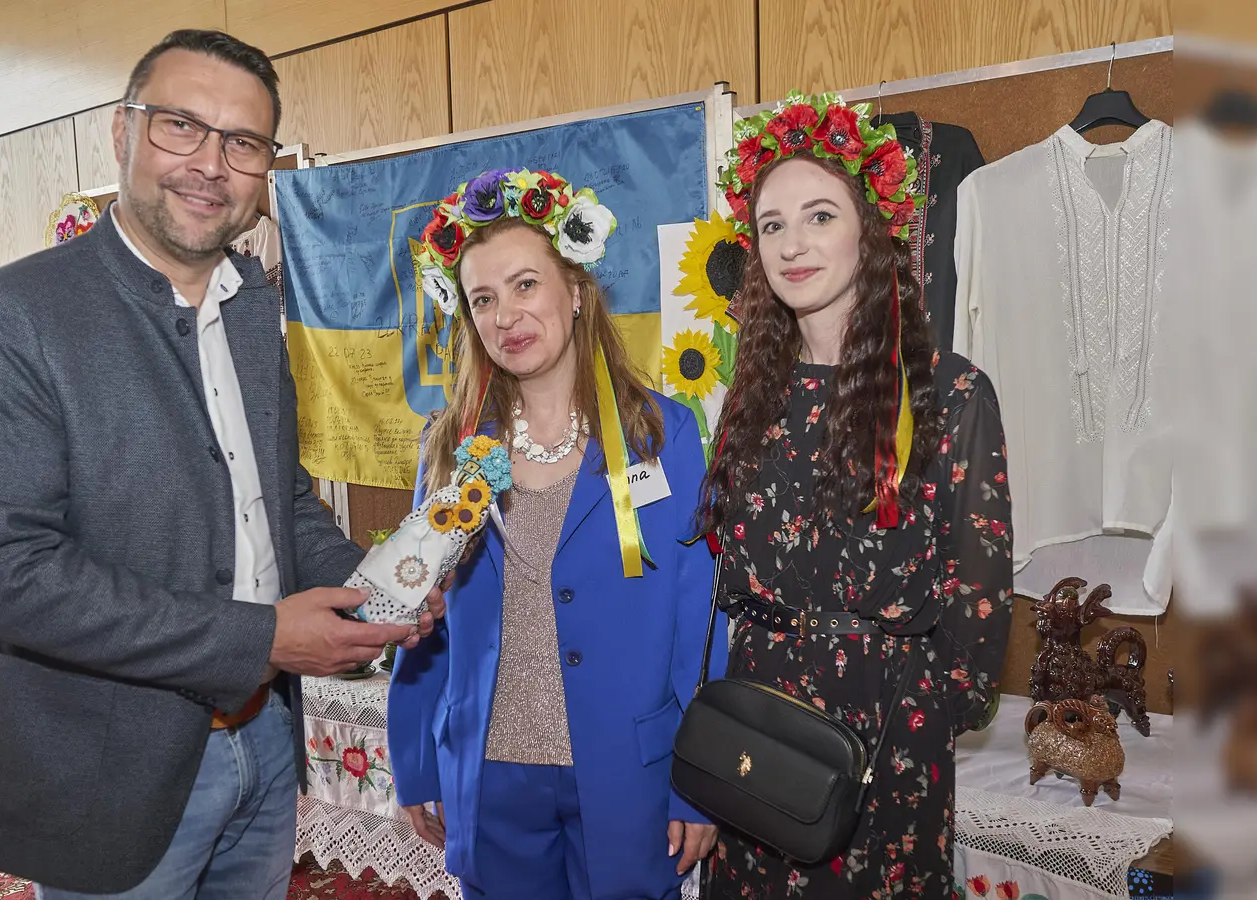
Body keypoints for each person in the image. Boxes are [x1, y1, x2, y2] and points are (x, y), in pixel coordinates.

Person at [0, 28, 439, 900]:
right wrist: (264, 638)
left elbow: (278, 501)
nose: (211, 163)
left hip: (267, 747)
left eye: (242, 143)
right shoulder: (12, 316)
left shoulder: (251, 311)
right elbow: (10, 578)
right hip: (111, 768)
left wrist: (377, 586)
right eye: (182, 127)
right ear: (122, 134)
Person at [697, 95, 1014, 899]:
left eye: (818, 216)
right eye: (772, 225)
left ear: (870, 231)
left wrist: (919, 719)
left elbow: (978, 603)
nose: (792, 245)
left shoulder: (951, 393)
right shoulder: (752, 391)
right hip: (757, 725)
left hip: (886, 735)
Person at [388, 168, 726, 900]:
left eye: (524, 285)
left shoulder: (663, 435)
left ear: (575, 291)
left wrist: (702, 782)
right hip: (492, 771)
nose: (505, 314)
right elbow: (421, 617)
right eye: (483, 298)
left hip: (629, 772)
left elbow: (700, 624)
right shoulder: (449, 449)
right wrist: (416, 756)